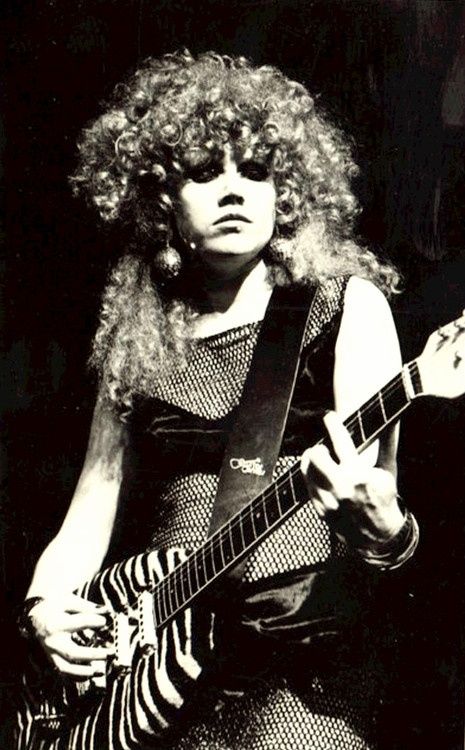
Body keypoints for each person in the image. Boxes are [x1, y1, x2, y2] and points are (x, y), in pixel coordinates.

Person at [17, 50, 419, 750]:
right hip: (153, 665)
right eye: (205, 171)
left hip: (298, 666)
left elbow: (378, 507)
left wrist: (386, 530)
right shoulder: (137, 337)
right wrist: (44, 608)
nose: (234, 189)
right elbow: (87, 518)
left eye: (256, 171)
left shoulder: (343, 306)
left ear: (287, 193)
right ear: (160, 201)